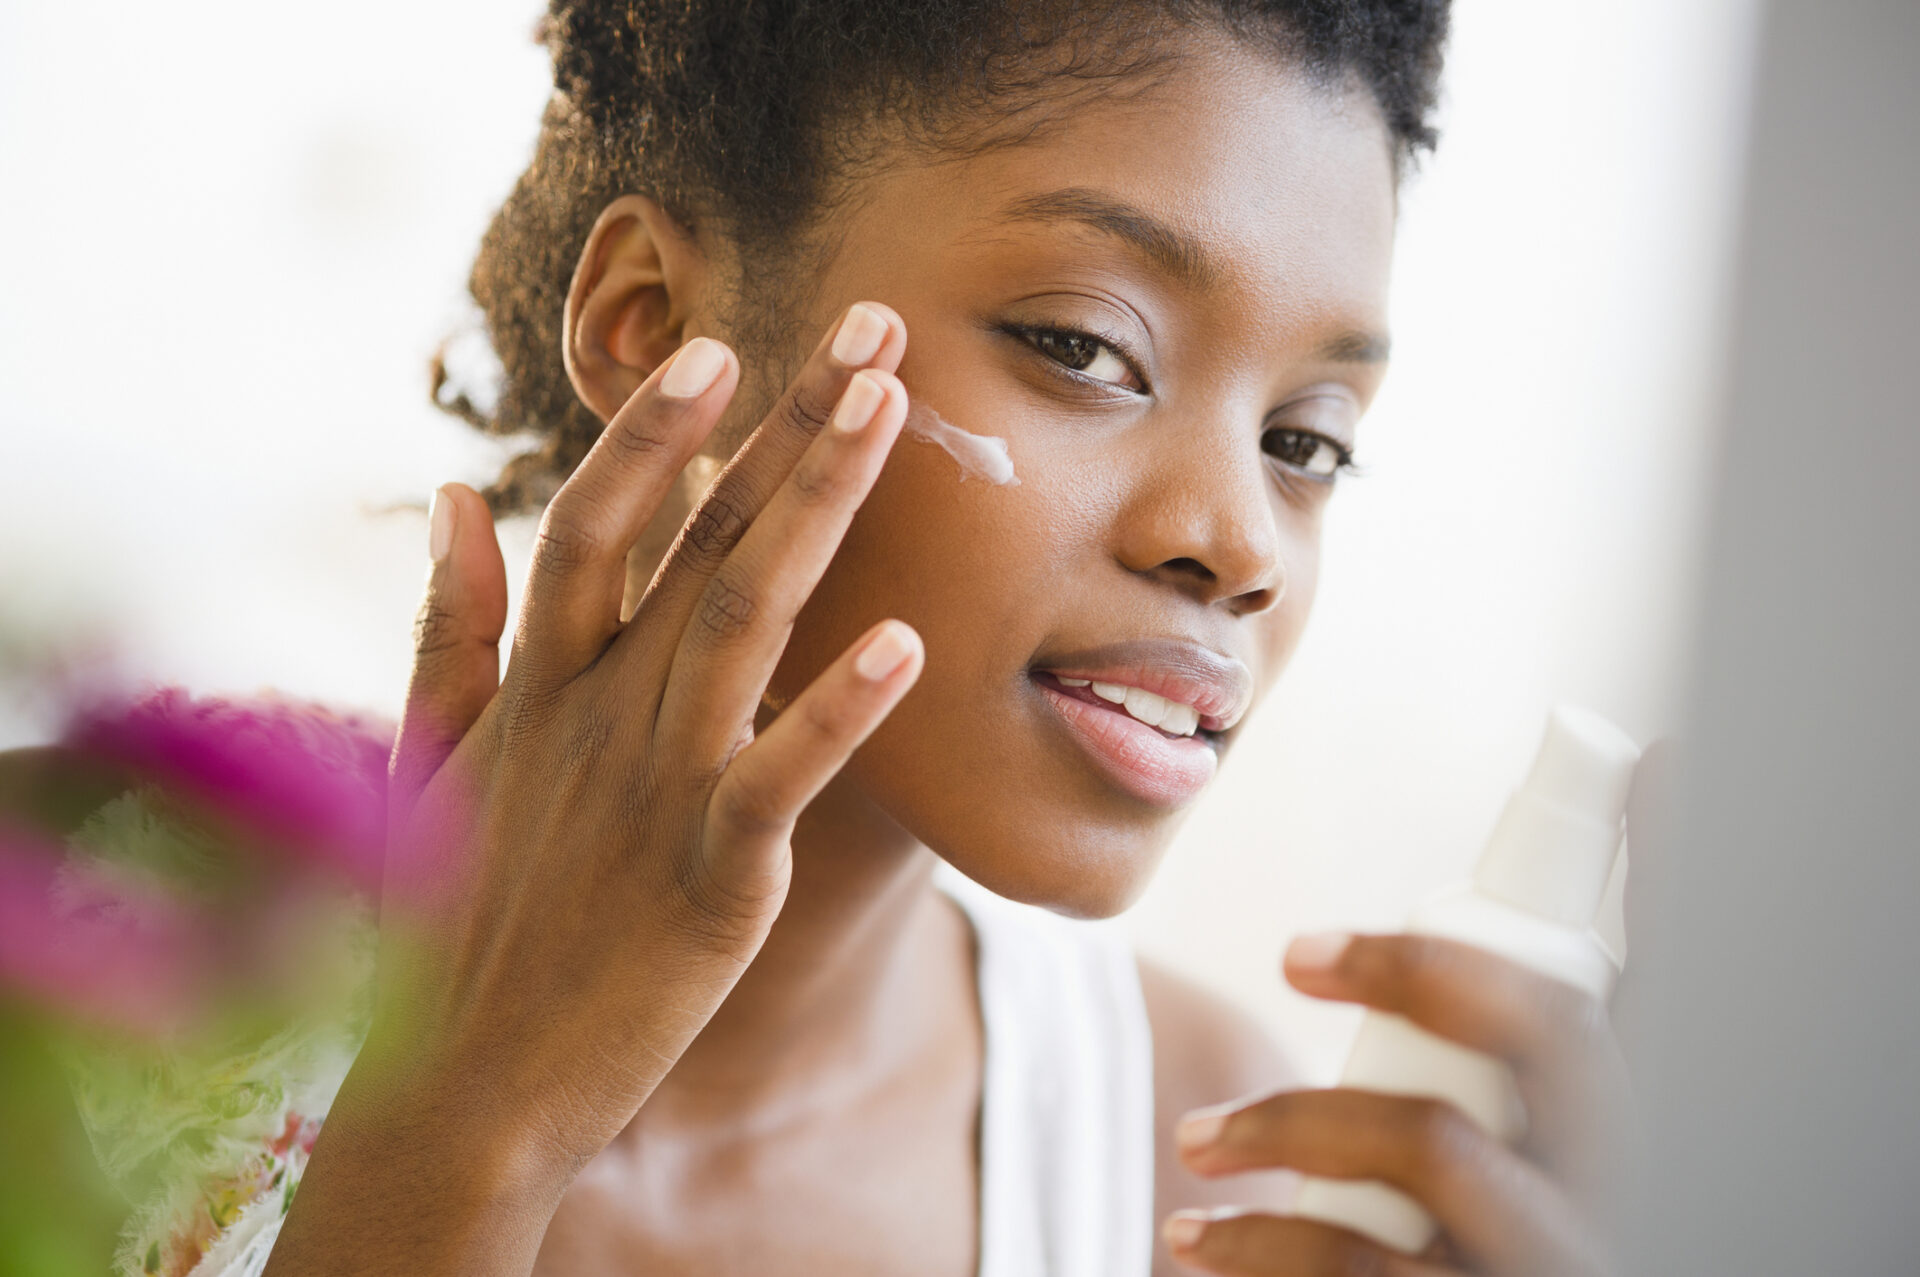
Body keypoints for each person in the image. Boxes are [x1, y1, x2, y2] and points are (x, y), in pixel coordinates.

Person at [16, 2, 1645, 1274]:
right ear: (653, 322)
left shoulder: (1196, 1159)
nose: (1233, 544)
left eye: (1311, 441)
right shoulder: (81, 930)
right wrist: (468, 1128)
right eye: (1085, 345)